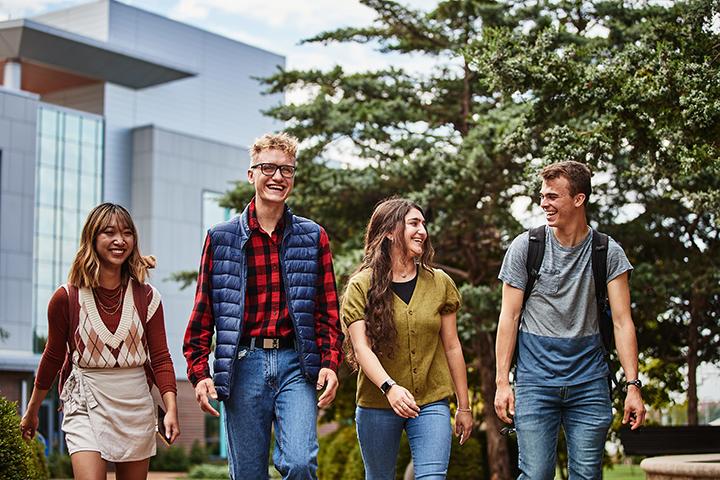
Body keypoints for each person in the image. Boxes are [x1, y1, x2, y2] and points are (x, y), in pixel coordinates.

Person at [183, 132, 344, 480]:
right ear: (251, 174)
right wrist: (199, 373)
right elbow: (203, 313)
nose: (277, 177)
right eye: (268, 168)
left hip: (296, 365)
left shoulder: (314, 236)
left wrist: (329, 363)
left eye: (286, 170)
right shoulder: (220, 237)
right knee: (248, 473)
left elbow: (327, 312)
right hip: (243, 366)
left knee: (300, 462)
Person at [494, 161, 646, 479]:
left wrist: (633, 385)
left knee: (587, 475)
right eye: (542, 196)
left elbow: (622, 322)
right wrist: (502, 382)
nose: (544, 204)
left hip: (589, 383)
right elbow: (508, 317)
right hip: (535, 382)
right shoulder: (526, 247)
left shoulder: (608, 252)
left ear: (578, 199)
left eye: (552, 197)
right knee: (535, 474)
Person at [20, 203, 180, 480]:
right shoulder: (66, 298)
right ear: (92, 239)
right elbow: (53, 357)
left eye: (127, 233)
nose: (120, 240)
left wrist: (172, 410)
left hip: (135, 403)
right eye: (109, 232)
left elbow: (162, 357)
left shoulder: (148, 297)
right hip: (85, 398)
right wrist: (33, 410)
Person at [341, 197, 473, 480]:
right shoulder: (360, 286)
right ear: (389, 231)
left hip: (432, 400)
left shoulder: (440, 282)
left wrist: (464, 406)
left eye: (423, 224)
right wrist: (390, 388)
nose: (422, 231)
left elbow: (452, 346)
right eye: (413, 223)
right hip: (377, 403)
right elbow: (361, 348)